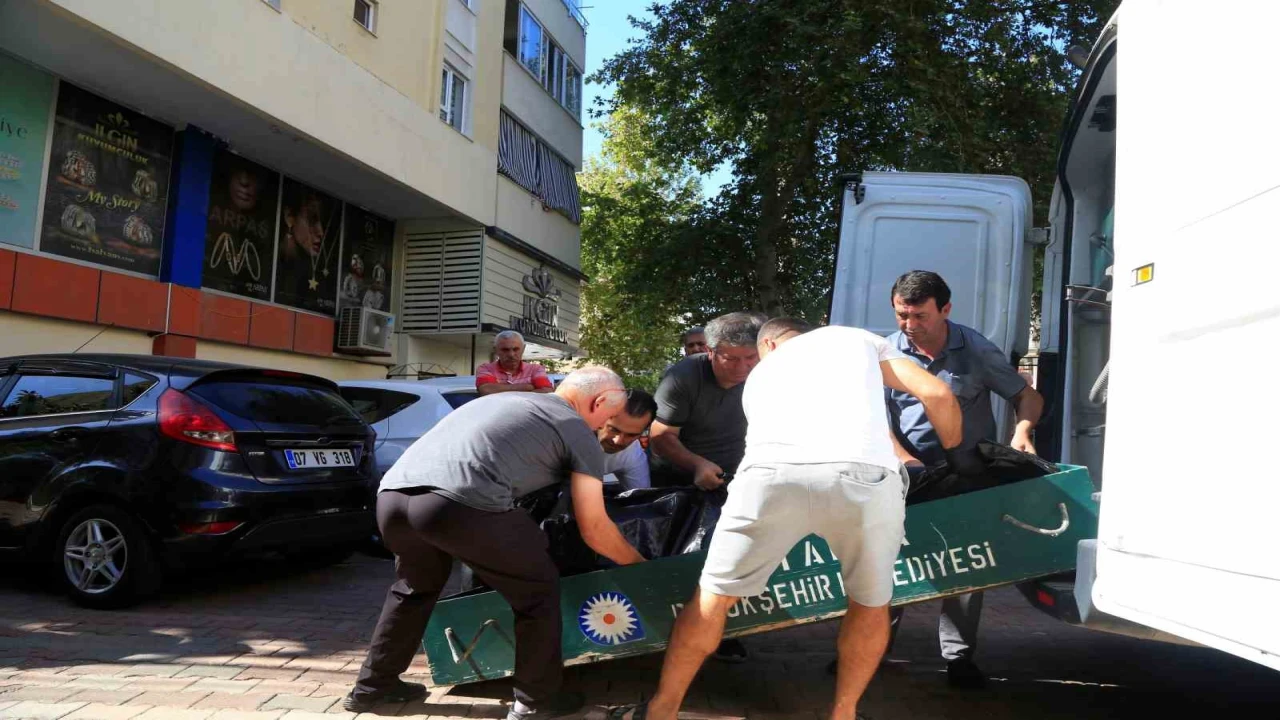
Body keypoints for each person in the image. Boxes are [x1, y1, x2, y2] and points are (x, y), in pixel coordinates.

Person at [610, 318, 968, 720]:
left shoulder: (763, 374)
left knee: (714, 597)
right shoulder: (856, 339)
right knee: (868, 605)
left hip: (768, 477)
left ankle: (661, 710)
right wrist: (956, 456)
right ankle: (844, 713)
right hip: (861, 478)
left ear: (768, 346)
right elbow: (936, 393)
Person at [344, 367, 647, 716]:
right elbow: (594, 527)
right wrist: (640, 570)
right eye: (607, 418)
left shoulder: (508, 401)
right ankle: (536, 703)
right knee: (538, 592)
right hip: (458, 505)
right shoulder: (575, 428)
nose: (601, 428)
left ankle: (372, 688)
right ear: (598, 402)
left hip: (393, 499)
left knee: (414, 588)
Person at [884, 270, 1045, 689]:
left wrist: (1021, 432)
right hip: (905, 475)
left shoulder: (975, 348)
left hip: (965, 473)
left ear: (945, 309)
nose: (909, 325)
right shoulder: (885, 353)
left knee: (965, 568)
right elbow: (870, 413)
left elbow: (1025, 395)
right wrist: (903, 460)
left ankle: (958, 659)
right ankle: (874, 650)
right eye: (902, 315)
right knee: (888, 566)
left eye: (919, 315)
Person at [649, 311, 763, 662]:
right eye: (732, 358)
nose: (743, 368)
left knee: (731, 557)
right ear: (710, 352)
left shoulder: (767, 373)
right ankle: (667, 629)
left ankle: (722, 632)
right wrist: (696, 464)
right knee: (682, 558)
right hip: (679, 477)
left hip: (737, 478)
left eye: (751, 358)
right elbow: (660, 437)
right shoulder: (681, 377)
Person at [600, 389, 657, 492]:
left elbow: (639, 499)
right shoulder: (569, 435)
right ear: (599, 418)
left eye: (631, 435)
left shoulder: (634, 455)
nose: (618, 441)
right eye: (613, 429)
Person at [477, 331, 554, 395]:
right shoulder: (486, 368)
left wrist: (500, 389)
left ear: (523, 349)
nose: (511, 354)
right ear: (496, 350)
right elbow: (486, 390)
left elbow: (547, 392)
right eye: (505, 350)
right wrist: (526, 387)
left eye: (516, 349)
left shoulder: (535, 369)